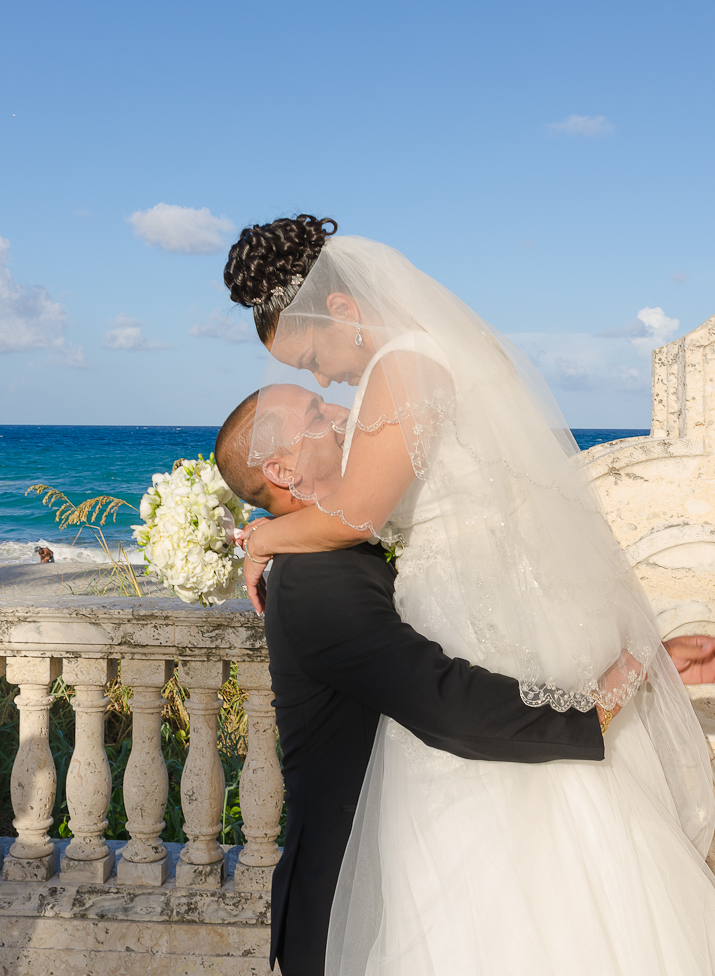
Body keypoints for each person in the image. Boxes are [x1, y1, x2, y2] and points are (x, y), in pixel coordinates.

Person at [224, 215, 715, 976]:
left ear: (342, 310)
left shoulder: (403, 363)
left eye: (313, 359)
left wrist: (260, 538)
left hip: (470, 621)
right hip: (474, 620)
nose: (325, 384)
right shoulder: (424, 355)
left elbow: (356, 513)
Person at [215, 386, 609, 976]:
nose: (345, 414)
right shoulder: (316, 582)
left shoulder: (330, 546)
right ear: (281, 470)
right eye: (318, 414)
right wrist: (594, 709)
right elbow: (444, 702)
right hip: (352, 913)